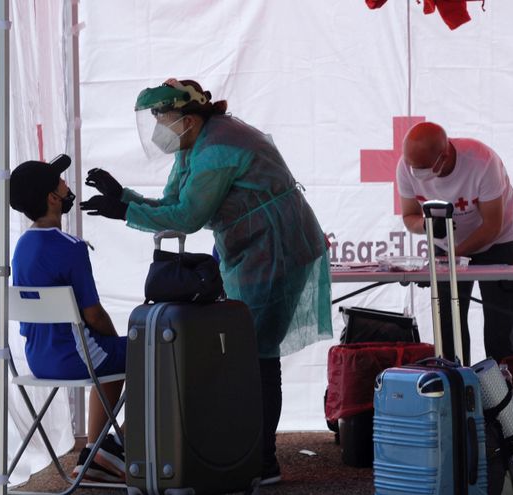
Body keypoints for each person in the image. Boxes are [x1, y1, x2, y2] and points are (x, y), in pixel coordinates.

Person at [80, 79, 332, 486]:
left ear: (190, 119)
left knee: (260, 355)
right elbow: (173, 204)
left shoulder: (218, 148)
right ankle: (246, 451)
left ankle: (263, 462)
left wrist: (122, 212)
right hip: (250, 247)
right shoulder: (194, 144)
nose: (159, 127)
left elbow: (186, 218)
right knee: (249, 353)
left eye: (164, 118)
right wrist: (123, 198)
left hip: (276, 247)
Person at [9, 157, 126, 482]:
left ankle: (98, 450)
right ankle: (108, 450)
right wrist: (116, 341)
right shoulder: (71, 247)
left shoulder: (22, 246)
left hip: (38, 359)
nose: (66, 184)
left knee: (114, 360)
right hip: (75, 358)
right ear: (52, 198)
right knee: (154, 354)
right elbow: (94, 315)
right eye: (60, 180)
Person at [396, 121, 513, 365]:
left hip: (498, 244)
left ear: (444, 156)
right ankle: (455, 392)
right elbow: (409, 216)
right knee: (448, 329)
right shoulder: (407, 166)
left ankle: (507, 393)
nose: (415, 173)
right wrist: (428, 226)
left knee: (501, 329)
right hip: (446, 246)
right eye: (412, 166)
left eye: (422, 168)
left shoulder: (482, 162)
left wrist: (454, 256)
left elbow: (492, 226)